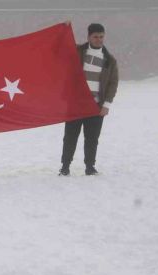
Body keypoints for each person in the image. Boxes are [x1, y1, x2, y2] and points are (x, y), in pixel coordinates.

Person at [59, 23, 119, 176]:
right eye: (95, 37)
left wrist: (106, 104)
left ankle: (90, 167)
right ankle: (65, 167)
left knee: (92, 139)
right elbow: (59, 47)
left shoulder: (109, 60)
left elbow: (113, 83)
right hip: (75, 104)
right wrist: (63, 30)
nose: (99, 40)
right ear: (89, 37)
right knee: (70, 137)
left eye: (101, 36)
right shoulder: (77, 51)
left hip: (96, 106)